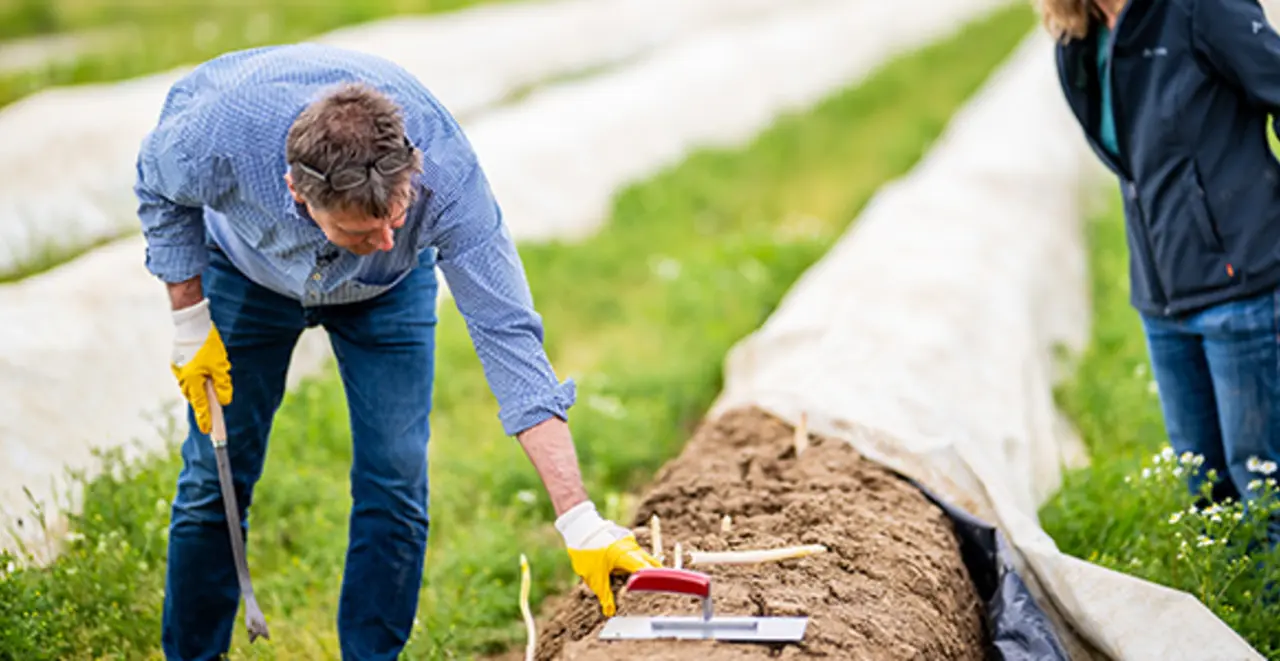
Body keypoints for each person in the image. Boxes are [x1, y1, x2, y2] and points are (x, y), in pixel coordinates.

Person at [133, 42, 659, 660]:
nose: (386, 237)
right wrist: (190, 318)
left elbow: (509, 338)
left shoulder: (446, 178)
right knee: (214, 478)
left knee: (395, 479)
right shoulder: (218, 135)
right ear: (298, 193)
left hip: (387, 295)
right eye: (363, 230)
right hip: (248, 274)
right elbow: (157, 185)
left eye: (396, 217)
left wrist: (580, 519)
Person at [1044, 0, 1280, 542]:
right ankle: (1229, 616)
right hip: (1163, 298)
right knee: (1203, 490)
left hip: (1241, 286)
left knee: (1265, 489)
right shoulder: (1080, 39)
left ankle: (1266, 623)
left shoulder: (1199, 8)